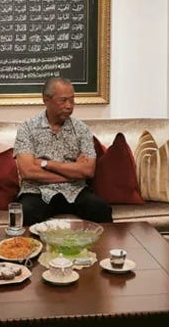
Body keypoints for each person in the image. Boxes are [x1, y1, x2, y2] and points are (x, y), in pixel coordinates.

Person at [13, 77, 113, 226]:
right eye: (63, 100)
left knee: (100, 209)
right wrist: (72, 172)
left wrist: (45, 164)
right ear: (46, 100)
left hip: (75, 190)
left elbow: (88, 171)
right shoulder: (27, 128)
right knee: (24, 212)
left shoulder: (82, 129)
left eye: (72, 100)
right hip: (37, 191)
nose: (69, 106)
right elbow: (27, 171)